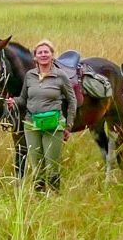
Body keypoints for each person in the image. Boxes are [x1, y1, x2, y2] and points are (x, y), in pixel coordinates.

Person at [7, 39, 77, 191]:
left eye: (47, 52)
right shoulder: (29, 76)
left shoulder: (61, 76)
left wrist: (69, 125)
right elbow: (24, 99)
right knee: (36, 164)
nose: (43, 55)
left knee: (52, 164)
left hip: (53, 124)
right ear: (35, 57)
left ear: (52, 55)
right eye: (40, 52)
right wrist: (14, 102)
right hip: (31, 124)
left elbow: (72, 101)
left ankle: (54, 196)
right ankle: (39, 197)